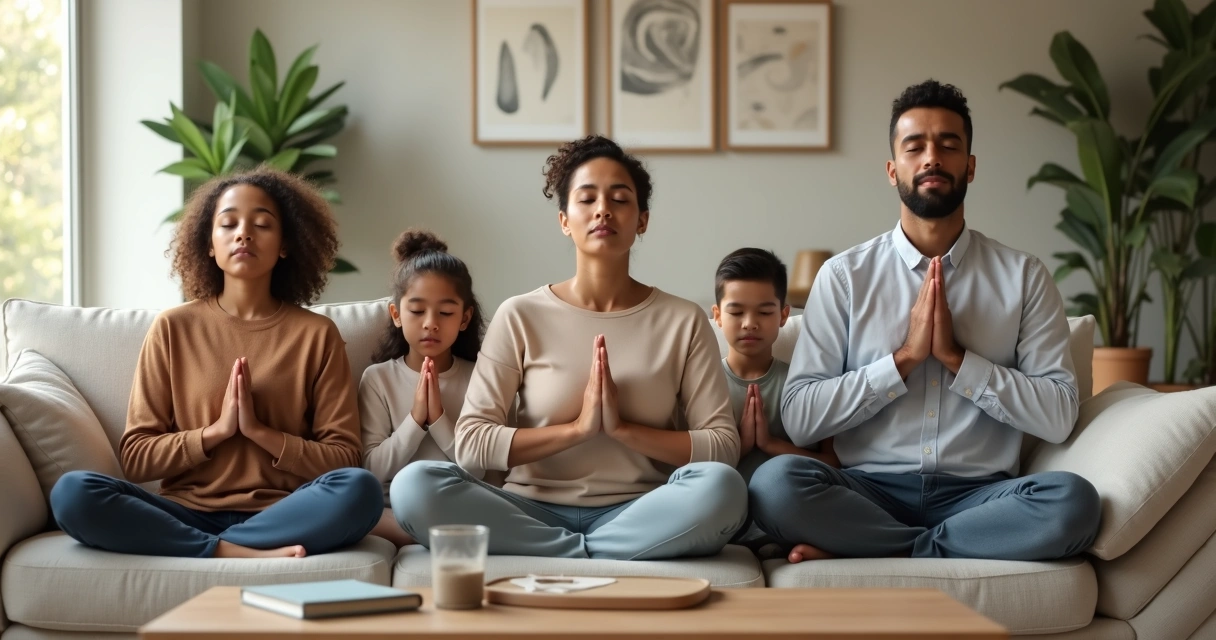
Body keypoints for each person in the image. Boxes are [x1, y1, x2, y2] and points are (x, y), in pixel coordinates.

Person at [749, 80, 1101, 563]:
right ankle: (935, 549)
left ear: (970, 167)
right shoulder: (845, 277)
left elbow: (1059, 416)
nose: (931, 157)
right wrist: (904, 360)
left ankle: (877, 548)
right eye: (915, 146)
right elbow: (802, 419)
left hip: (979, 498)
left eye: (949, 145)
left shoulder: (1024, 277)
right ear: (893, 170)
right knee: (774, 485)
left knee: (1074, 503)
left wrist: (959, 361)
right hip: (868, 491)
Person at [391, 135, 747, 560]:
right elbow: (471, 444)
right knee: (415, 486)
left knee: (723, 490)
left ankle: (565, 554)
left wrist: (622, 430)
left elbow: (723, 446)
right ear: (564, 219)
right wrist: (578, 430)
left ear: (642, 220)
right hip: (528, 509)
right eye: (587, 199)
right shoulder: (520, 315)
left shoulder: (683, 320)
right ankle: (596, 554)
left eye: (620, 199)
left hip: (642, 509)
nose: (603, 210)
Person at [50, 167, 382, 558]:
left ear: (285, 245)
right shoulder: (172, 328)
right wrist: (216, 433)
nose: (244, 233)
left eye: (262, 224)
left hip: (283, 513)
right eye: (228, 224)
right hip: (184, 512)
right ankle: (229, 551)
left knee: (359, 489)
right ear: (209, 243)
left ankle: (209, 549)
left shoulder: (317, 334)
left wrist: (259, 432)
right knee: (72, 493)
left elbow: (344, 457)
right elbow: (137, 458)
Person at [360, 229, 484, 547]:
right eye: (417, 311)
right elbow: (371, 471)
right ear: (397, 314)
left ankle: (431, 535)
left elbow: (481, 472)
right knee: (348, 497)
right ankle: (429, 535)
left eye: (445, 313)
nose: (431, 322)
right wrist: (415, 421)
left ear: (465, 318)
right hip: (392, 511)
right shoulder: (378, 379)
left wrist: (439, 419)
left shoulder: (480, 377)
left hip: (459, 506)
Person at [711, 247, 838, 483]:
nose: (749, 324)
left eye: (764, 312)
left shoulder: (805, 384)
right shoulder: (702, 385)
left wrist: (771, 444)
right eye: (736, 312)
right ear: (718, 316)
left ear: (783, 315)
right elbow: (687, 469)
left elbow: (834, 464)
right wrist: (742, 445)